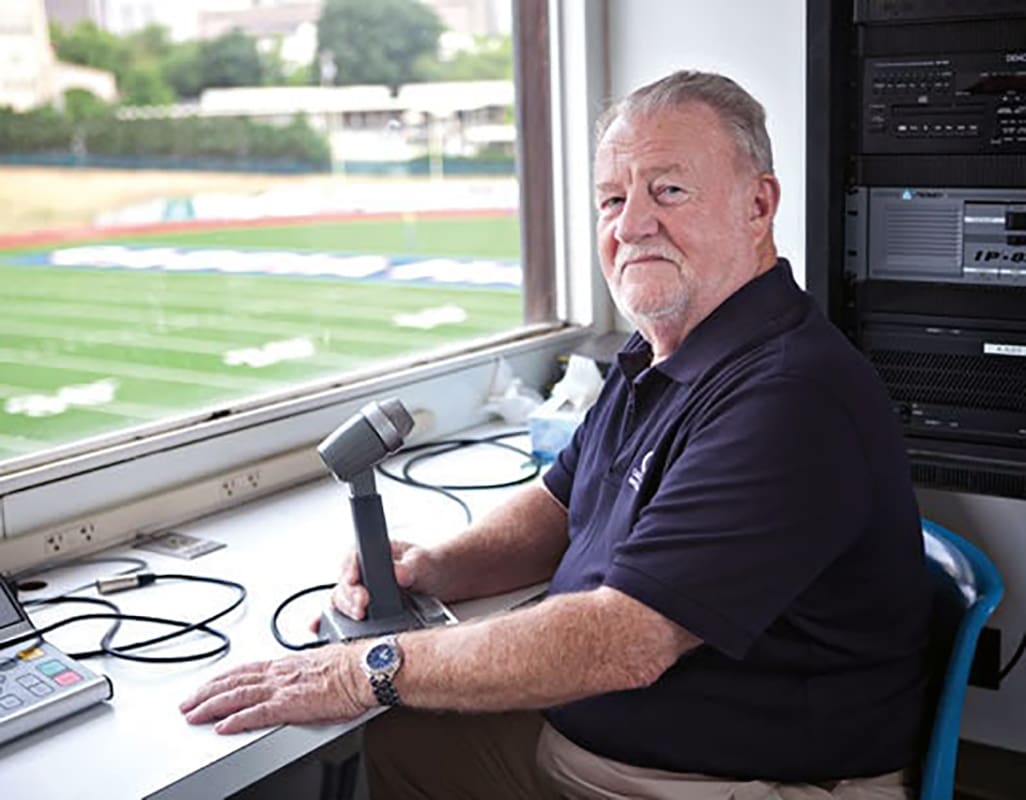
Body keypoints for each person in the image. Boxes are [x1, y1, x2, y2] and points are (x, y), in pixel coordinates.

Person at [180, 70, 931, 800]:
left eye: (668, 189)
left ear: (757, 205)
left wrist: (369, 668)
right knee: (401, 744)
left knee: (384, 729)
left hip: (735, 782)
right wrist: (442, 567)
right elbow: (562, 503)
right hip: (621, 750)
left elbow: (624, 639)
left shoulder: (791, 395)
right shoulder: (660, 352)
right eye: (612, 198)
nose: (631, 224)